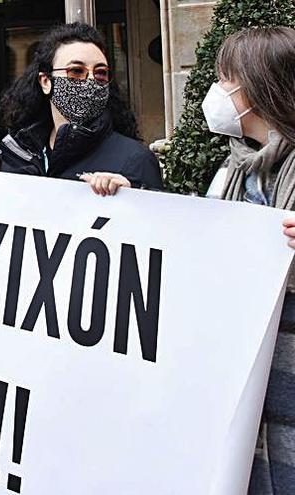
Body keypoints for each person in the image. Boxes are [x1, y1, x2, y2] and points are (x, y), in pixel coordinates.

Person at [193, 26, 295, 495]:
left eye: (225, 78)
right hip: (246, 370)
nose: (218, 91)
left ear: (259, 84)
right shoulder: (230, 170)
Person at [0, 22, 162, 195]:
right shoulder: (18, 153)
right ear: (45, 81)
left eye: (100, 73)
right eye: (76, 71)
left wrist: (132, 195)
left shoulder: (136, 160)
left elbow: (156, 233)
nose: (90, 80)